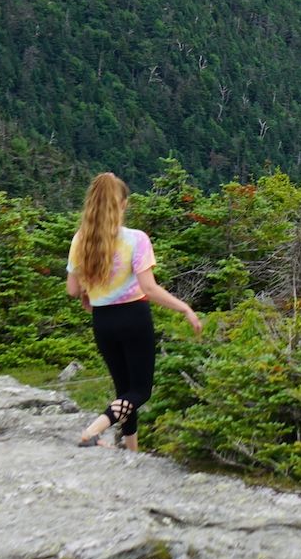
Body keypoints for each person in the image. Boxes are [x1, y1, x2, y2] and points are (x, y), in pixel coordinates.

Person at [66, 171, 202, 450]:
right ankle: (93, 430)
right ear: (123, 204)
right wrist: (184, 308)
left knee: (124, 390)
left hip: (103, 321)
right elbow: (149, 288)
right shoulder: (136, 239)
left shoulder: (80, 239)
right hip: (134, 318)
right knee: (140, 391)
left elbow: (72, 289)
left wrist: (89, 292)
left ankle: (132, 450)